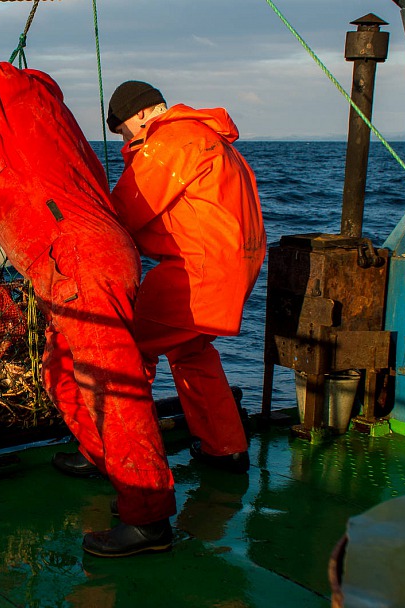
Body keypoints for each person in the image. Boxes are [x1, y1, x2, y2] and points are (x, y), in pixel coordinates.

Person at [0, 0, 176, 557]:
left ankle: (147, 518)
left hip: (83, 261)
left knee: (112, 389)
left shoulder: (15, 98)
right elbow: (0, 174)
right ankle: (106, 462)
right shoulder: (22, 141)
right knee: (59, 373)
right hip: (64, 272)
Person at [105, 81, 267, 473]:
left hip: (198, 271)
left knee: (125, 347)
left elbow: (125, 212)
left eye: (124, 130)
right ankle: (224, 447)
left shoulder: (171, 141)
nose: (124, 140)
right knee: (189, 350)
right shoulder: (207, 137)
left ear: (142, 114)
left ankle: (121, 454)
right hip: (234, 267)